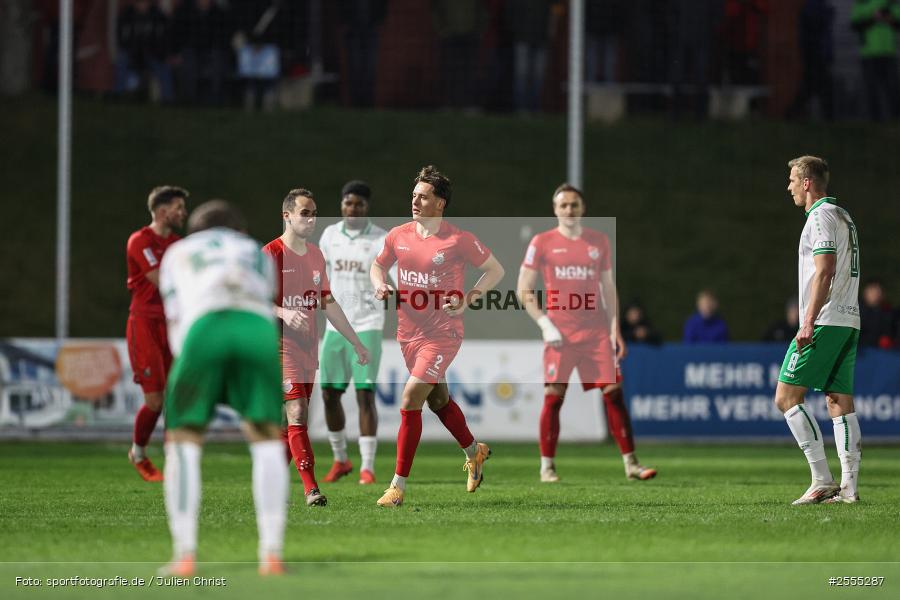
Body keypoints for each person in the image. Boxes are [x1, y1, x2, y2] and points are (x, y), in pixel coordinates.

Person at [158, 200, 288, 577]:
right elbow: (264, 298)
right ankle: (271, 554)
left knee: (183, 439)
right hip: (257, 330)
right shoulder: (255, 251)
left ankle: (185, 555)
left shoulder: (179, 251)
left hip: (205, 325)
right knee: (265, 438)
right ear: (239, 231)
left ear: (194, 232)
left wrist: (193, 370)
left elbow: (174, 316)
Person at [370, 165, 505, 507]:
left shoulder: (458, 239)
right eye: (414, 195)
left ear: (440, 203)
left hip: (443, 333)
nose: (415, 201)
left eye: (423, 196)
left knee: (411, 397)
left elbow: (495, 270)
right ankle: (475, 452)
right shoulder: (398, 235)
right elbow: (378, 265)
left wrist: (468, 299)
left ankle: (397, 486)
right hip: (408, 334)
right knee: (438, 401)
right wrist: (379, 283)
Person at [517, 184, 657, 483]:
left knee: (614, 395)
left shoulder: (598, 241)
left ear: (583, 208)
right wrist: (545, 324)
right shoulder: (542, 242)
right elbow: (523, 289)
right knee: (553, 398)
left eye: (574, 205)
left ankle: (631, 464)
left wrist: (614, 328)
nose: (569, 210)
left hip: (595, 333)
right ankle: (547, 467)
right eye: (564, 205)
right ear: (555, 210)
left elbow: (608, 287)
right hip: (560, 334)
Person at [263, 188, 370, 507]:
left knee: (291, 424)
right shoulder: (270, 254)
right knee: (297, 412)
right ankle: (311, 489)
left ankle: (269, 482)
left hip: (309, 346)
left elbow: (328, 302)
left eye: (314, 213)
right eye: (305, 213)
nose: (311, 219)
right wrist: (283, 312)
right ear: (287, 216)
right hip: (280, 345)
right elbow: (252, 300)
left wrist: (356, 341)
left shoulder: (315, 255)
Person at [776, 156, 862, 505]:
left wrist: (808, 320)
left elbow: (824, 269)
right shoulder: (844, 216)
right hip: (848, 318)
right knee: (838, 401)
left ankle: (822, 479)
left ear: (808, 182)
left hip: (825, 320)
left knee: (786, 397)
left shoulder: (822, 216)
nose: (790, 187)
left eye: (793, 180)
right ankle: (850, 490)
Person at [318, 181, 390, 485]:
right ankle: (341, 460)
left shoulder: (381, 239)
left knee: (364, 394)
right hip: (335, 326)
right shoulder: (329, 235)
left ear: (367, 207)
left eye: (359, 204)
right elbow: (319, 275)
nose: (353, 208)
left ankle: (367, 468)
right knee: (329, 394)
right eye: (348, 203)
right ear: (342, 204)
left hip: (368, 325)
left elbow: (393, 278)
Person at [125, 185, 188, 481]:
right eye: (178, 208)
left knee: (176, 396)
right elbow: (161, 279)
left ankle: (175, 460)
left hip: (173, 323)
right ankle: (138, 452)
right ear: (162, 211)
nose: (183, 213)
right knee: (155, 401)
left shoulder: (178, 244)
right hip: (145, 325)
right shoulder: (140, 240)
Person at [851, 0, 900, 121]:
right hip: (869, 53)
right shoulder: (861, 3)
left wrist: (889, 19)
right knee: (871, 89)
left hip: (888, 52)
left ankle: (895, 118)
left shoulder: (891, 4)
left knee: (893, 88)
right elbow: (855, 26)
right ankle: (875, 120)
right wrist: (874, 19)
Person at [859, 278, 895, 348]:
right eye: (872, 290)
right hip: (859, 351)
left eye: (878, 291)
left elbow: (889, 334)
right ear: (865, 292)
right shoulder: (855, 310)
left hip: (877, 352)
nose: (875, 294)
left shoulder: (887, 313)